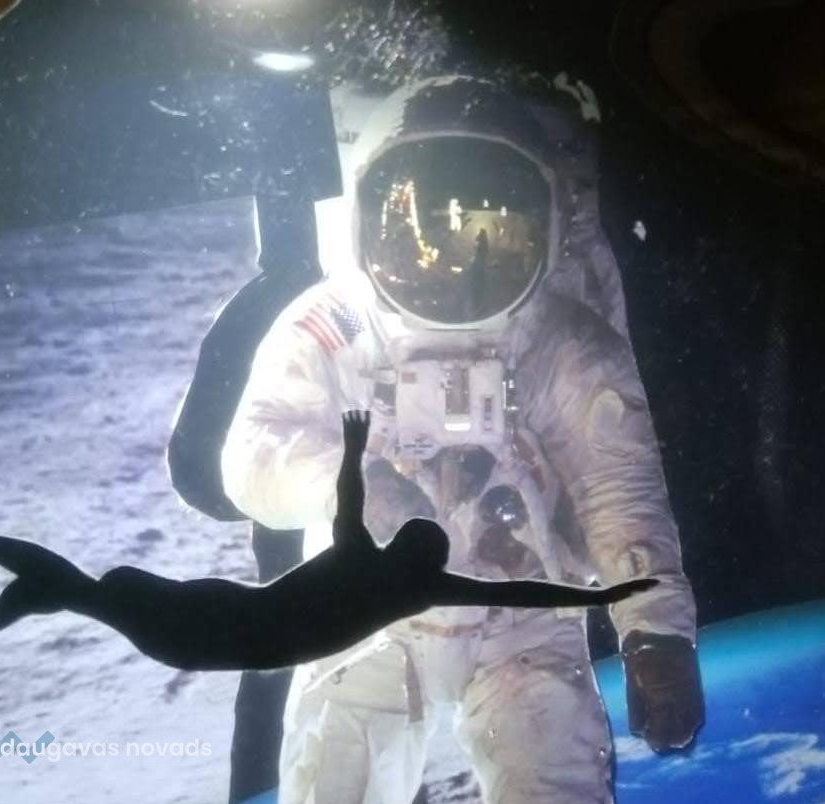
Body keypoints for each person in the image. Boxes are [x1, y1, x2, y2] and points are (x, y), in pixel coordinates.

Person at [219, 75, 704, 804]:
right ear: (368, 217)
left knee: (554, 783)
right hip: (370, 609)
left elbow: (618, 489)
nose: (452, 259)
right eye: (424, 229)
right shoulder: (341, 323)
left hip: (522, 618)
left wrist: (654, 631)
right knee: (335, 779)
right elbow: (254, 451)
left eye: (489, 230)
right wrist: (349, 488)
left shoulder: (560, 344)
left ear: (544, 224)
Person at [0, 411, 653, 672]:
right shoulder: (409, 583)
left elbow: (514, 589)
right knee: (100, 593)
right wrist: (599, 596)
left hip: (218, 629)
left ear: (409, 549)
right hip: (220, 631)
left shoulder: (381, 568)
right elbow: (518, 591)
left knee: (100, 592)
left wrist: (356, 448)